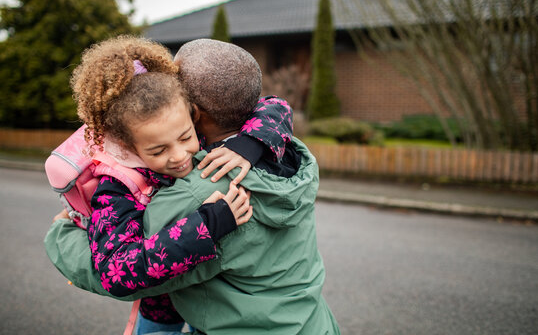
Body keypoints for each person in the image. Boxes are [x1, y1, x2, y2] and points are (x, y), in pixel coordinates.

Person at [46, 39, 340, 334]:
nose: (177, 156)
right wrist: (251, 143)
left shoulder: (197, 193)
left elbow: (116, 275)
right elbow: (274, 105)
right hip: (315, 324)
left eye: (184, 137)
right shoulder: (287, 149)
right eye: (158, 150)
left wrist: (61, 235)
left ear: (193, 113)